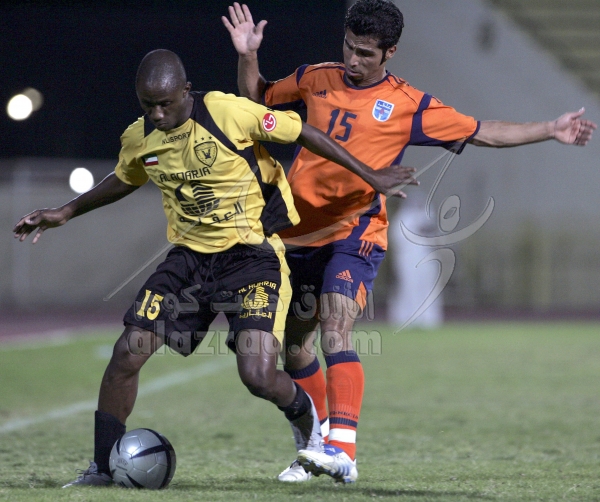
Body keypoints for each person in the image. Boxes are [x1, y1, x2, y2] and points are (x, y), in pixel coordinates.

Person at [223, 0, 597, 483]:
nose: (353, 60)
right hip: (295, 233)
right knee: (296, 350)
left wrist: (549, 129)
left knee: (337, 326)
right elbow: (258, 100)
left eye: (365, 53)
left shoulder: (409, 105)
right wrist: (248, 55)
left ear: (390, 53)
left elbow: (482, 131)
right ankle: (318, 441)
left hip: (356, 231)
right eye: (349, 47)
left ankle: (343, 450)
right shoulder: (317, 76)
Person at [12, 49, 418, 487]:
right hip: (189, 261)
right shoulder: (140, 136)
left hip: (253, 258)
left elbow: (303, 131)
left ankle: (310, 428)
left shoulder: (227, 112)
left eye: (166, 103)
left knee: (258, 376)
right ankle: (101, 469)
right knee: (127, 352)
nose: (158, 114)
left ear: (186, 90)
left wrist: (370, 174)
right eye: (148, 105)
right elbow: (126, 177)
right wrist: (66, 210)